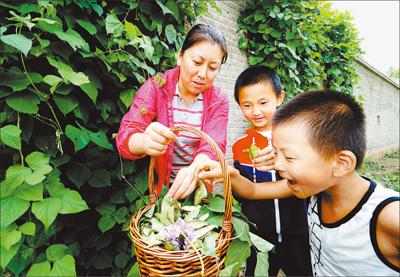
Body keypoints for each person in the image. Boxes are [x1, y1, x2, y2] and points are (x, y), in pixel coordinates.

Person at [197, 90, 400, 276]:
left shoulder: (387, 217)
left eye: (289, 157)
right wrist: (229, 174)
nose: (276, 164)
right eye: (276, 153)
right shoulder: (315, 190)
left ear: (341, 163)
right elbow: (253, 190)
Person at [116, 23, 229, 199]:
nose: (202, 73)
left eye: (212, 68)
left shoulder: (218, 100)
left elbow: (213, 145)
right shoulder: (156, 87)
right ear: (180, 57)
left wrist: (194, 170)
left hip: (199, 189)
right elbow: (126, 136)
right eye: (197, 62)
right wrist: (144, 141)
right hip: (161, 190)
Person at [231, 66, 312, 276]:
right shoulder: (240, 146)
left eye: (263, 103)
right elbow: (240, 191)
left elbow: (308, 179)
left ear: (279, 97)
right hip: (258, 234)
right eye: (247, 105)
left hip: (298, 231)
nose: (256, 111)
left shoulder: (298, 138)